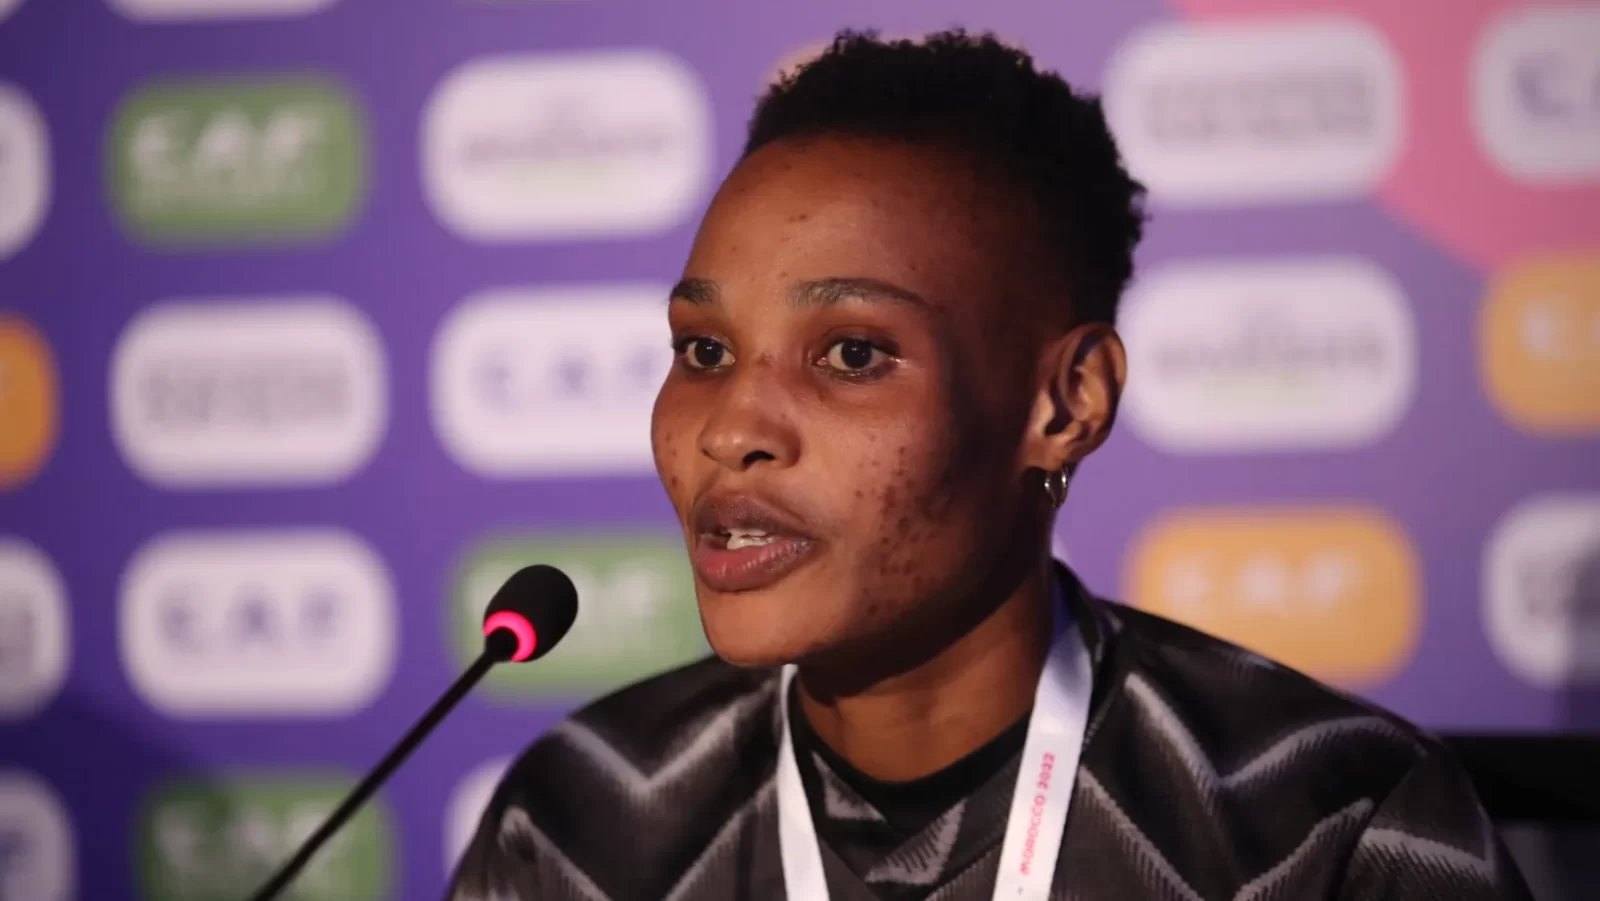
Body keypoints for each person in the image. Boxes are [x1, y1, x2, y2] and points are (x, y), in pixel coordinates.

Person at [448, 29, 1533, 901]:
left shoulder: (1327, 829)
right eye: (703, 351)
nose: (731, 427)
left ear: (1066, 405)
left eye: (852, 353)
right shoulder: (585, 822)